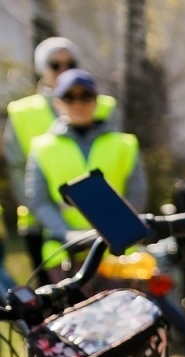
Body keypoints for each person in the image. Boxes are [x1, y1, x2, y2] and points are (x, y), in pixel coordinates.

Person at [4, 37, 118, 268]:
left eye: (70, 64)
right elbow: (16, 167)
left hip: (100, 222)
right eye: (55, 65)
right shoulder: (22, 111)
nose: (63, 70)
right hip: (42, 222)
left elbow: (118, 158)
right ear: (41, 68)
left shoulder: (104, 105)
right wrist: (44, 209)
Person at [24, 68, 146, 271]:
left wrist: (116, 229)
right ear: (57, 103)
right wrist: (66, 232)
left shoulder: (125, 143)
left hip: (119, 252)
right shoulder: (42, 146)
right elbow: (39, 199)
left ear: (96, 101)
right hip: (65, 251)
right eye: (69, 97)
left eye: (85, 96)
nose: (78, 103)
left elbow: (137, 192)